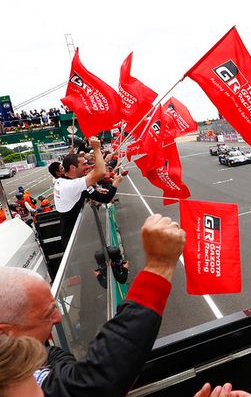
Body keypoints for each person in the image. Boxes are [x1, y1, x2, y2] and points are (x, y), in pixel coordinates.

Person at [0, 214, 185, 397]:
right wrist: (159, 267)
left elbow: (75, 374)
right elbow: (92, 384)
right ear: (5, 333)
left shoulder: (44, 355)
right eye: (47, 313)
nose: (58, 318)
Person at [53, 137, 111, 247]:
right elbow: (101, 172)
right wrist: (97, 149)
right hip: (74, 245)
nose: (88, 166)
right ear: (72, 168)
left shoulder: (61, 181)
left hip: (73, 238)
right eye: (84, 164)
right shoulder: (71, 185)